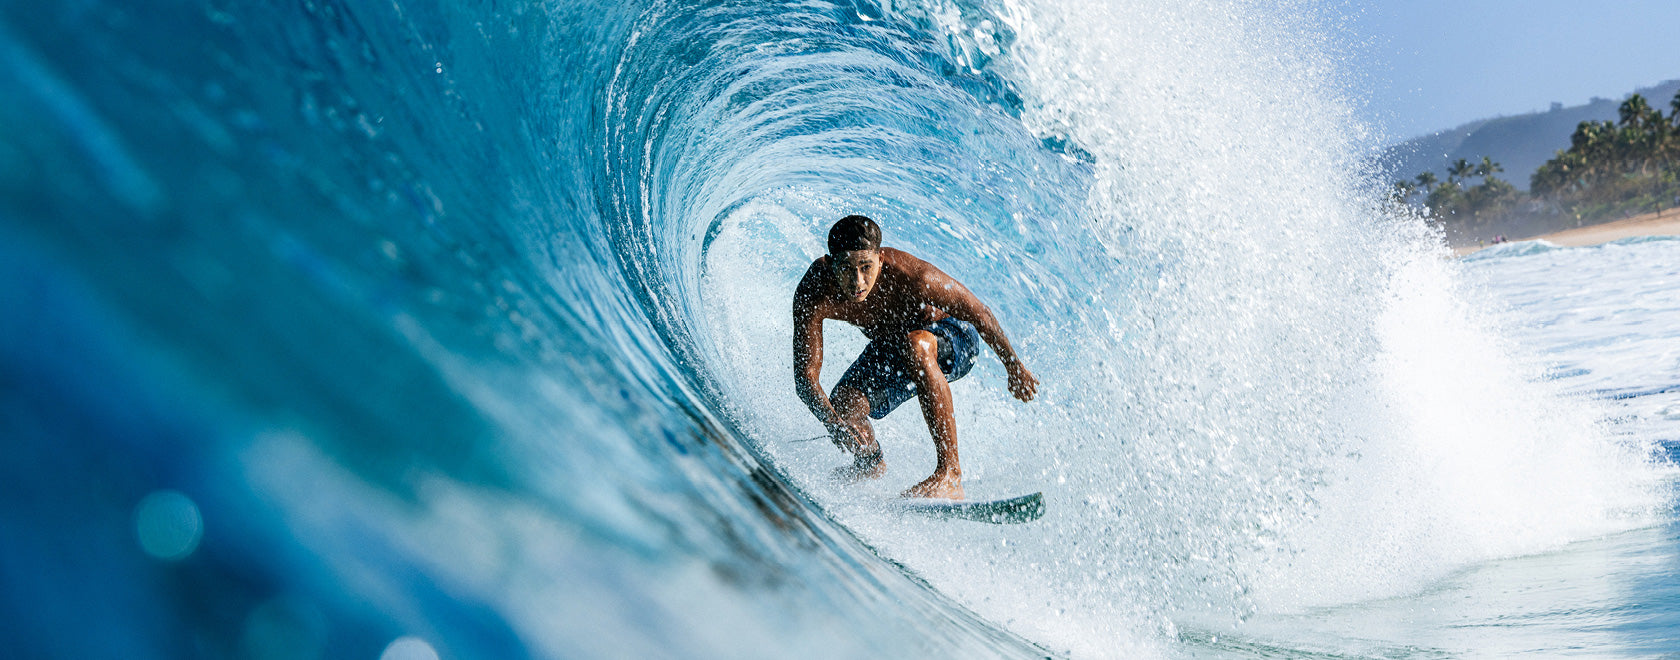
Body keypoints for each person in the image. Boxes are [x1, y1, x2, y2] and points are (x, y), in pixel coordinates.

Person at [791, 215, 1038, 499]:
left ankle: (950, 474)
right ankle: (869, 464)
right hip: (896, 345)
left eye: (866, 267)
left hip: (953, 338)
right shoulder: (815, 290)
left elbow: (978, 312)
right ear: (830, 262)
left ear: (880, 259)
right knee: (845, 406)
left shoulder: (913, 276)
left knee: (916, 344)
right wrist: (834, 424)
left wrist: (1014, 367)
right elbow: (806, 377)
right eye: (846, 268)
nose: (857, 281)